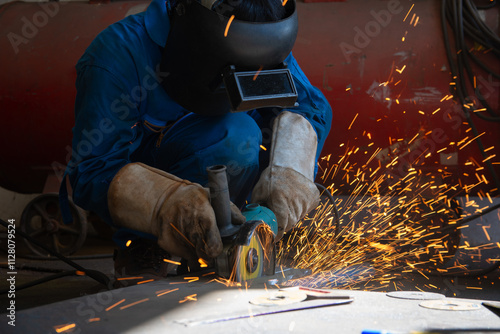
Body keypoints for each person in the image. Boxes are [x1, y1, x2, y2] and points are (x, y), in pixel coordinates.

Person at [62, 0, 332, 279]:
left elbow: (309, 108)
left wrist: (291, 171)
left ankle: (231, 232)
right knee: (234, 136)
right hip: (150, 174)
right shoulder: (118, 53)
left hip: (223, 169)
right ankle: (143, 243)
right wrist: (166, 202)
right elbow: (92, 170)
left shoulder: (260, 38)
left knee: (243, 134)